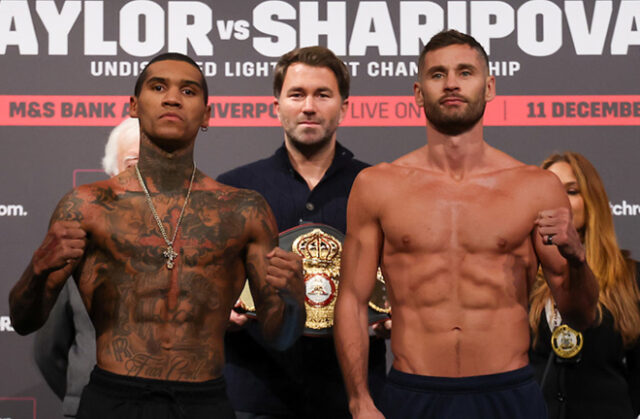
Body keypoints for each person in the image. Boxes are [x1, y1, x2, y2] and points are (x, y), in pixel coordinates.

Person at [9, 52, 305, 419]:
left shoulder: (243, 210)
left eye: (189, 90)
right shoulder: (87, 205)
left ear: (208, 114)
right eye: (158, 86)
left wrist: (293, 302)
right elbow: (23, 321)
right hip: (113, 401)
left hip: (204, 402)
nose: (172, 98)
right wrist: (37, 270)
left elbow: (280, 336)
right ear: (134, 105)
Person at [333, 30, 599, 419]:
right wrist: (359, 401)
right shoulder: (378, 186)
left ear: (489, 86)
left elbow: (581, 316)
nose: (452, 83)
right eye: (437, 74)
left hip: (507, 393)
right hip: (413, 392)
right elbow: (353, 302)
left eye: (465, 72)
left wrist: (577, 259)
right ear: (418, 92)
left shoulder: (535, 188)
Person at [217, 46, 386, 419]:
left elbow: (402, 281)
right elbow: (205, 286)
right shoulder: (233, 190)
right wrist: (218, 311)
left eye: (322, 95)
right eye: (297, 94)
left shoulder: (379, 187)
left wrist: (395, 318)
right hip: (253, 398)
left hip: (354, 400)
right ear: (276, 104)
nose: (309, 106)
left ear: (344, 107)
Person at [33, 117, 140, 417]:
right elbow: (48, 349)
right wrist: (82, 396)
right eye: (133, 163)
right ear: (112, 171)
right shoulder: (76, 240)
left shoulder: (194, 240)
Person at [529, 152, 640, 419]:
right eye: (550, 192)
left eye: (571, 190)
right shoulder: (524, 279)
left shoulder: (632, 277)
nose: (560, 202)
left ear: (592, 201)